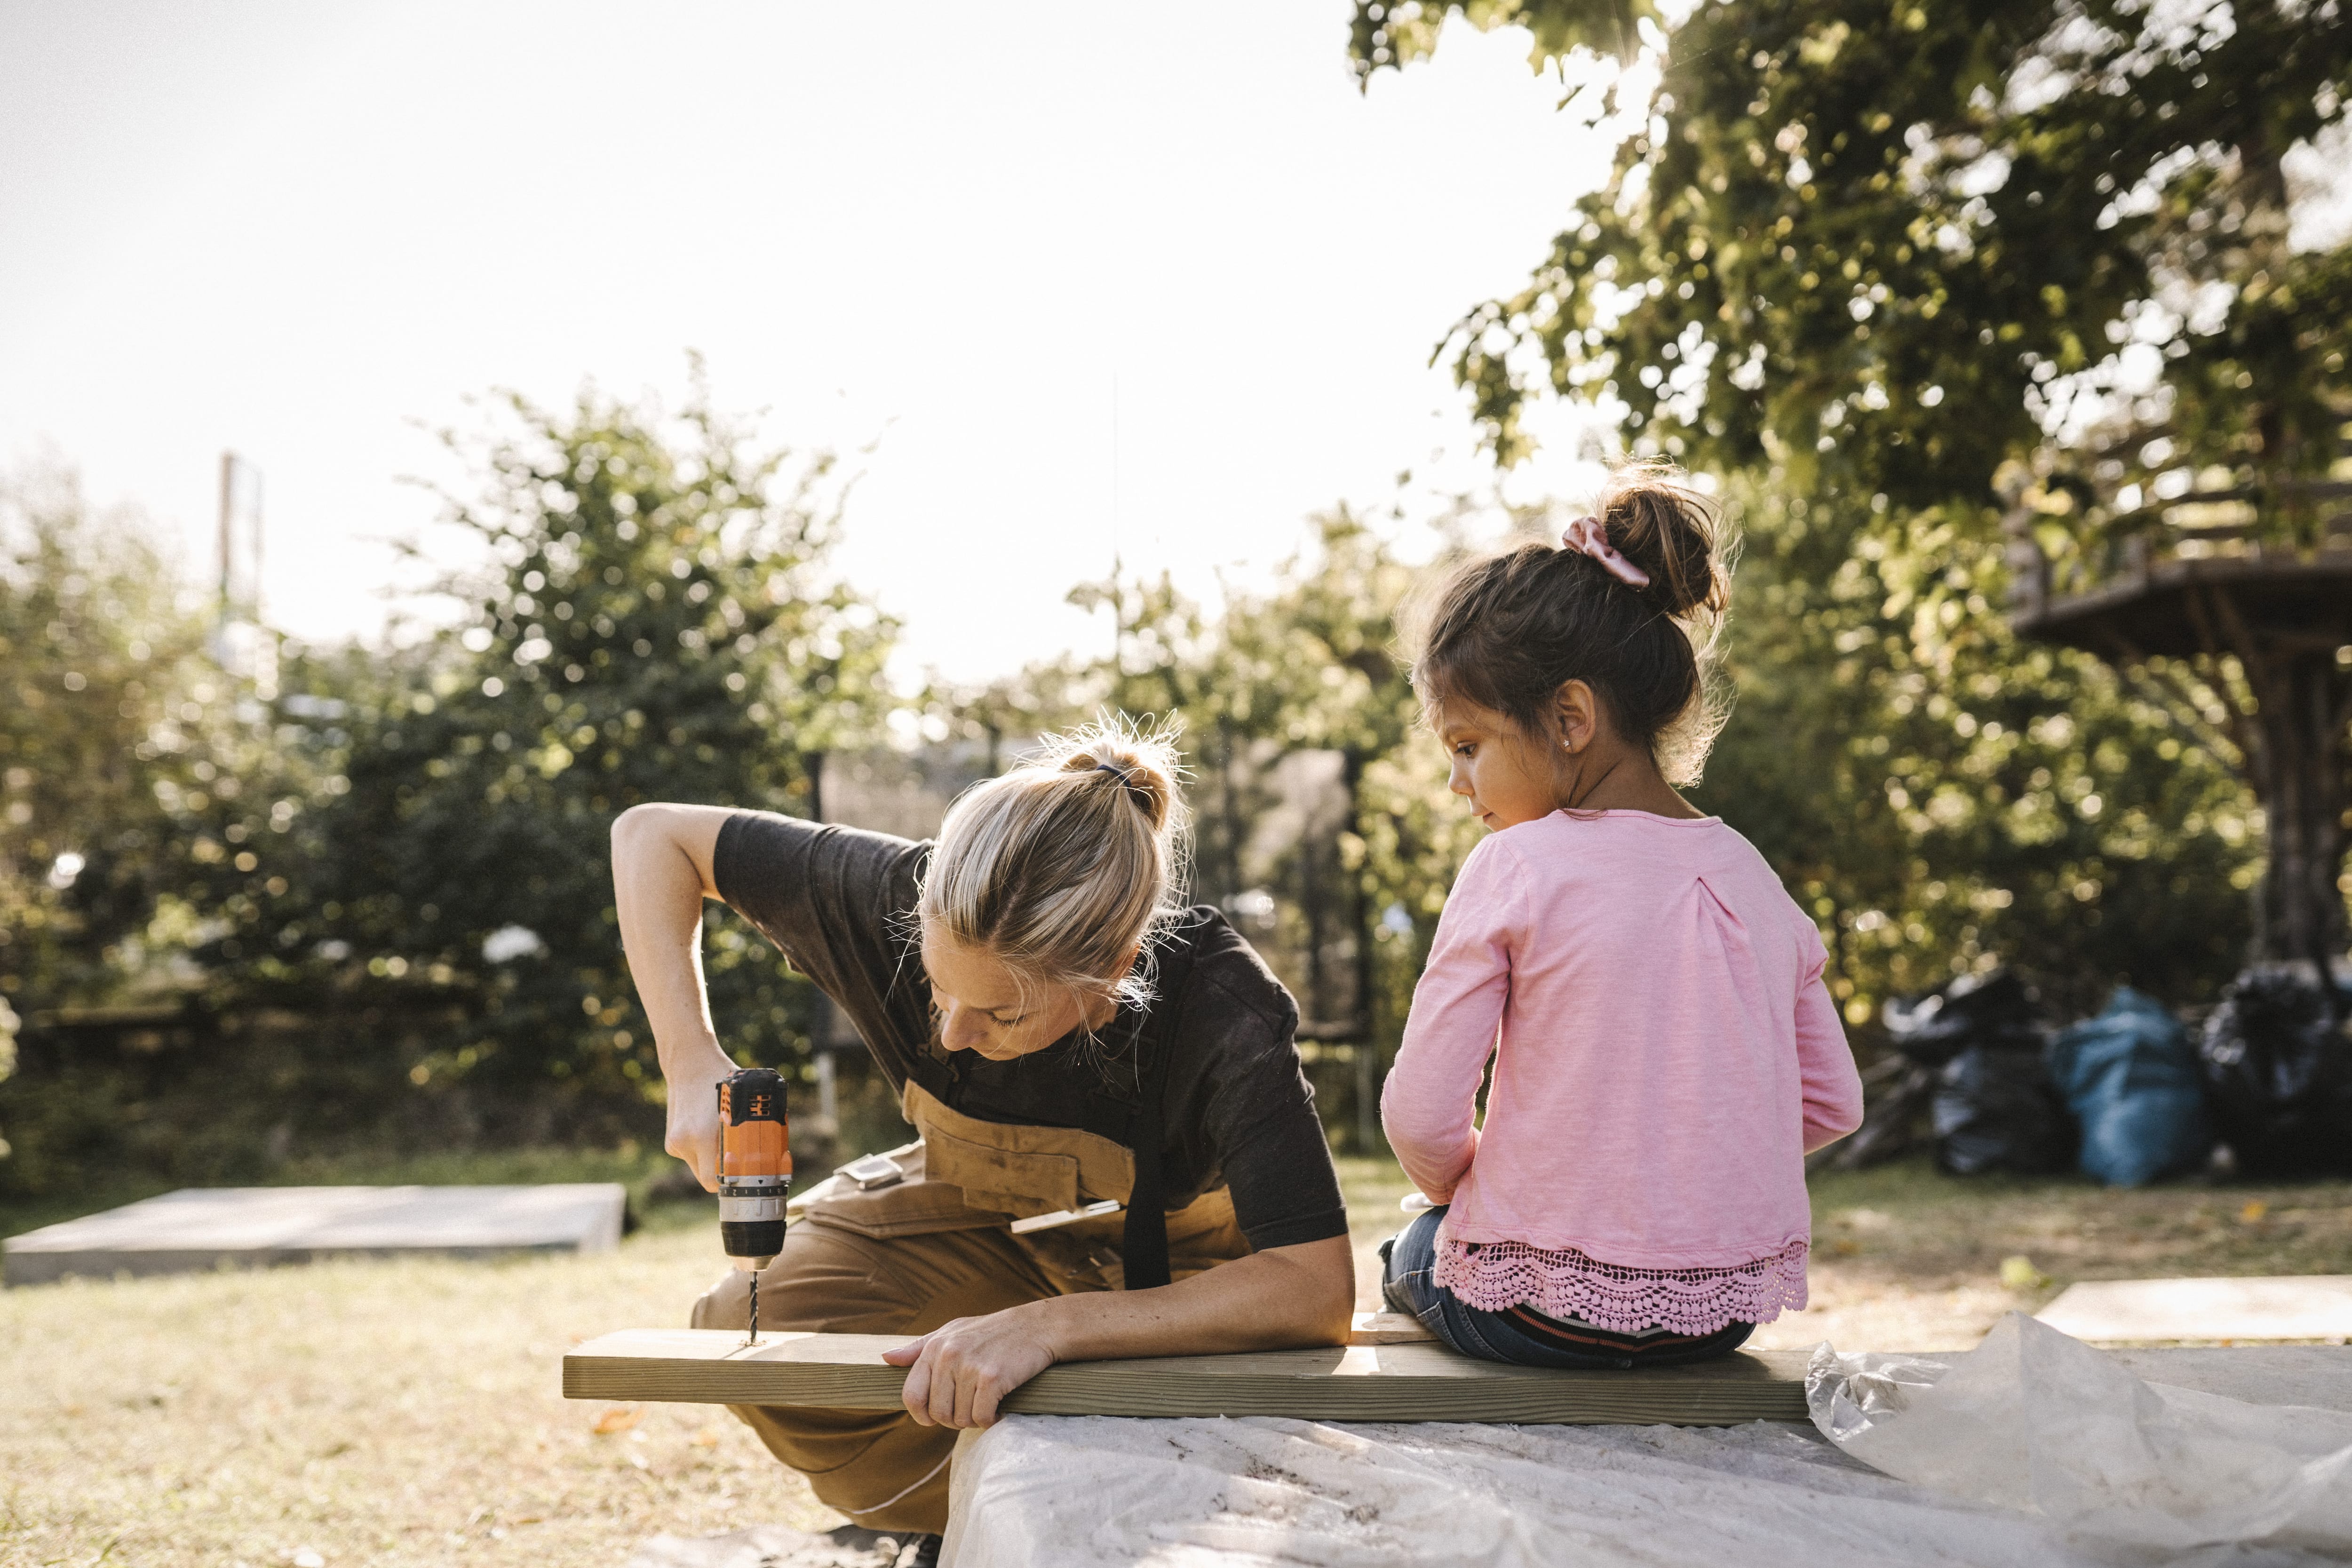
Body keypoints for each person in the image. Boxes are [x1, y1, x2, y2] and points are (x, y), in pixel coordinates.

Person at [611, 719, 1353, 1542]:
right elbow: (652, 835)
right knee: (743, 1323)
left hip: (1179, 1270)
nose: (956, 1033)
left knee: (1179, 1458)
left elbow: (1312, 1288)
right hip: (985, 1213)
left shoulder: (1223, 1008)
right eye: (936, 987)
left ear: (1115, 964)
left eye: (1003, 1011)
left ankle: (1093, 1505)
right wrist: (688, 1057)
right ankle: (974, 1517)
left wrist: (1051, 1328)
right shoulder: (885, 891)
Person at [1379, 466, 1865, 1370]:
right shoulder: (1757, 881)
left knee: (1410, 1252)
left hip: (1534, 1312)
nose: (1458, 784)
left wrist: (1469, 1192)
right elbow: (1835, 1101)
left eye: (1467, 746)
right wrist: (1692, 1166)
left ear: (1569, 717)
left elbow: (1420, 1113)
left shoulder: (1516, 867)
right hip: (1718, 1318)